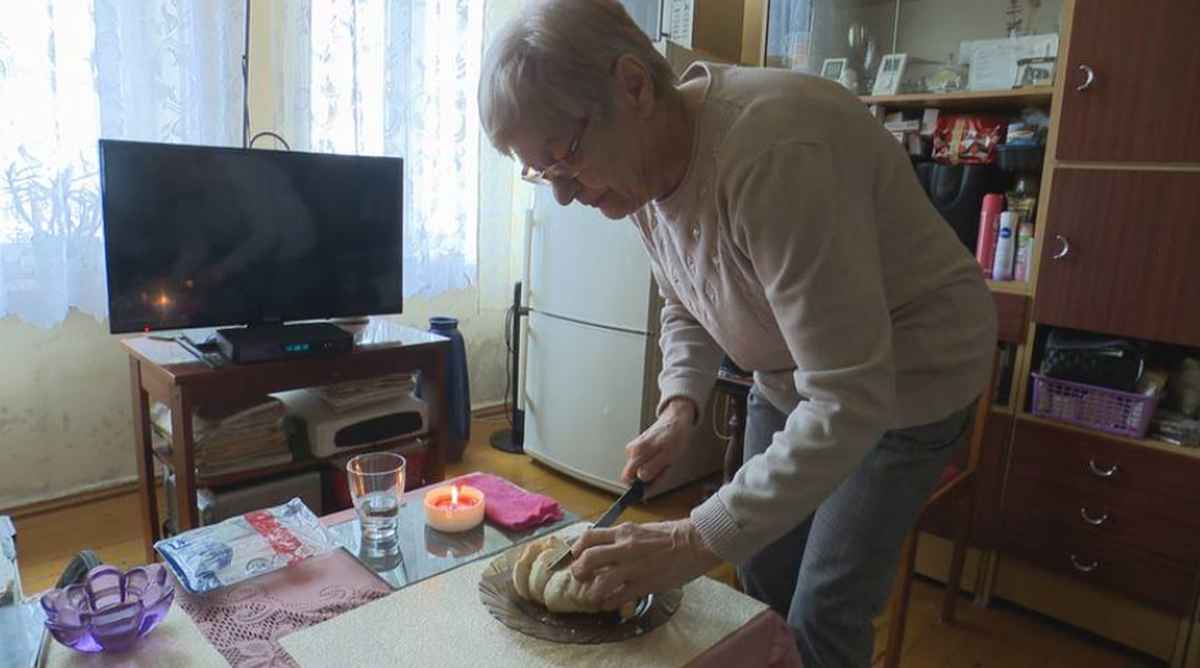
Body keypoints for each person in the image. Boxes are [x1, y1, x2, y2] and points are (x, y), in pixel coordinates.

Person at [478, 1, 997, 665]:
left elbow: (850, 399)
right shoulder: (638, 171)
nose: (564, 195)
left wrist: (688, 541)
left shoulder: (774, 154)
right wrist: (679, 406)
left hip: (910, 380)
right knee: (760, 575)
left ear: (633, 85)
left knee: (825, 610)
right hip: (793, 374)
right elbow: (686, 299)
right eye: (542, 172)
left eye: (565, 156)